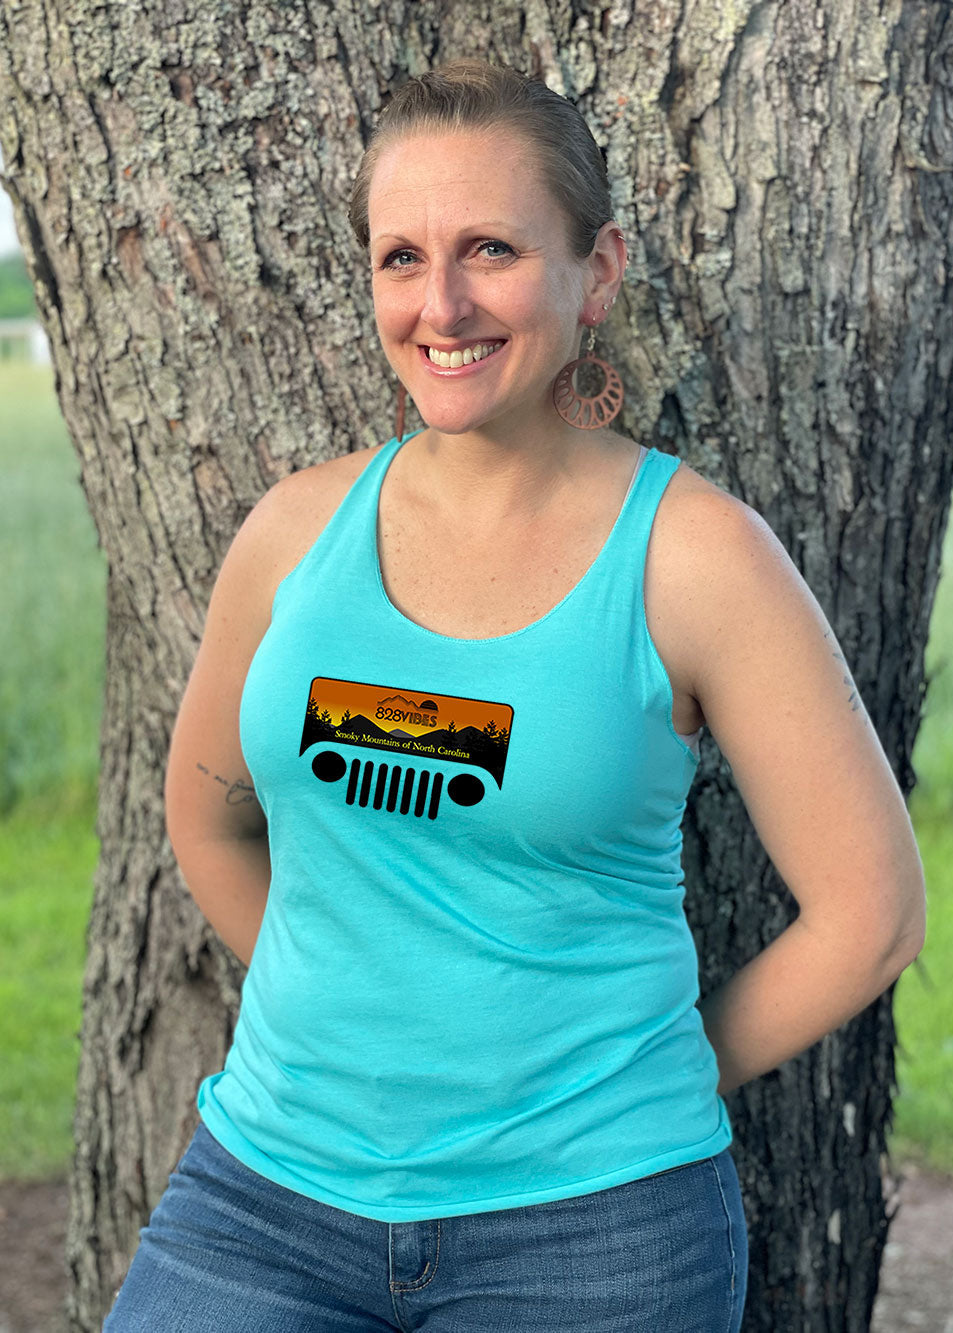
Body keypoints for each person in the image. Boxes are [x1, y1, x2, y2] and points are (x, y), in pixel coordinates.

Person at [104, 59, 926, 1332]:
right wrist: (358, 1018)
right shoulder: (293, 535)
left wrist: (630, 1078)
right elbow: (207, 818)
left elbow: (869, 913)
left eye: (488, 249)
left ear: (594, 271)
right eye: (399, 258)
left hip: (588, 1233)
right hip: (266, 1205)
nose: (440, 303)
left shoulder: (694, 559)